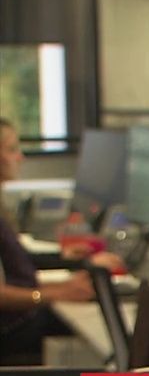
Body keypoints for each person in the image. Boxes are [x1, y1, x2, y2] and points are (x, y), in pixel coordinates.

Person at [0, 118, 123, 363]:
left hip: (19, 323)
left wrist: (63, 271)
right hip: (13, 335)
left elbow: (13, 266)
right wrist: (52, 294)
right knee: (116, 342)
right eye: (12, 149)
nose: (20, 157)